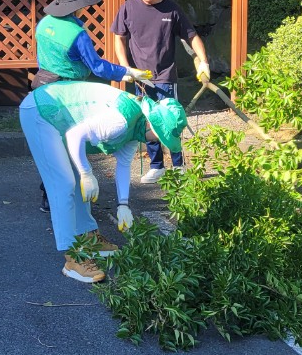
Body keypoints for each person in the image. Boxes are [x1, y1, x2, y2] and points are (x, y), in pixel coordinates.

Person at [19, 80, 187, 283]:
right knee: (63, 183)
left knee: (77, 184)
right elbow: (75, 135)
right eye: (160, 136)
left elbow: (124, 166)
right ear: (152, 123)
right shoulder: (121, 121)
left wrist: (123, 205)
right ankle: (73, 258)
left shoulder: (136, 128)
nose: (157, 141)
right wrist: (87, 173)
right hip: (40, 111)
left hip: (60, 117)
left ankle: (89, 237)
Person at [32, 0, 151, 211]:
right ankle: (62, 198)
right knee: (68, 144)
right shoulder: (77, 34)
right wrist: (128, 72)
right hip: (69, 93)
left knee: (51, 145)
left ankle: (48, 194)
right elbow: (96, 66)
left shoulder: (43, 23)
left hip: (42, 88)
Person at [112, 0, 210, 184]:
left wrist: (203, 61)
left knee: (170, 120)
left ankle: (178, 164)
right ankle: (157, 166)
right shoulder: (128, 7)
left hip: (165, 75)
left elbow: (191, 36)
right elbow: (119, 38)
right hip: (140, 77)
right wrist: (126, 67)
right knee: (148, 121)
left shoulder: (171, 9)